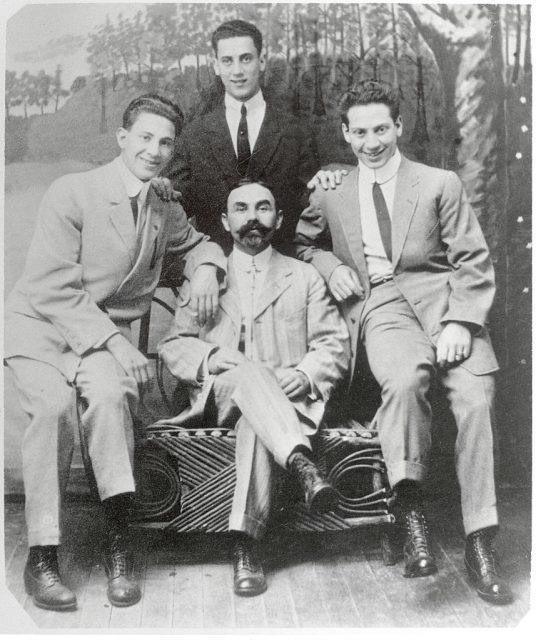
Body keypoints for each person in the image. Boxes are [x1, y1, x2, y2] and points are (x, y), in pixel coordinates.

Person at [4, 94, 226, 611]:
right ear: (122, 138)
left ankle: (120, 543)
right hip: (41, 329)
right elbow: (51, 286)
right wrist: (111, 342)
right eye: (144, 137)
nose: (154, 150)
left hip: (96, 341)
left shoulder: (162, 205)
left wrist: (209, 267)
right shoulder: (73, 191)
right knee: (55, 409)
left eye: (165, 142)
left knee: (111, 397)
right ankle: (42, 555)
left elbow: (196, 243)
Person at [295, 80, 513, 604]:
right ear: (345, 135)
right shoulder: (331, 190)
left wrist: (462, 321)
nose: (372, 142)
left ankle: (479, 539)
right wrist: (329, 265)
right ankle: (410, 512)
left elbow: (472, 259)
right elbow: (303, 242)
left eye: (381, 129)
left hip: (444, 301)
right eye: (360, 131)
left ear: (399, 127)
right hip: (381, 307)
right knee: (404, 378)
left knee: (475, 399)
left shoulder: (440, 183)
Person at [158, 178, 349, 596]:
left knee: (254, 425)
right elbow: (173, 345)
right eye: (241, 210)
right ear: (226, 222)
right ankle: (301, 464)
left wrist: (305, 374)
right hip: (219, 397)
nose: (253, 219)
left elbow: (333, 343)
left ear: (279, 219)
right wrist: (208, 358)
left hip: (286, 400)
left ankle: (246, 546)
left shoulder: (304, 276)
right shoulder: (208, 277)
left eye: (263, 208)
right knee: (249, 371)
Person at [157, 19, 342, 254]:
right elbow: (173, 205)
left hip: (283, 267)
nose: (237, 71)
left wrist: (325, 183)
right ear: (215, 65)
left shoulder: (296, 132)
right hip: (216, 272)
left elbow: (312, 207)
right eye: (227, 61)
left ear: (261, 61)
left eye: (246, 59)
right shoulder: (194, 135)